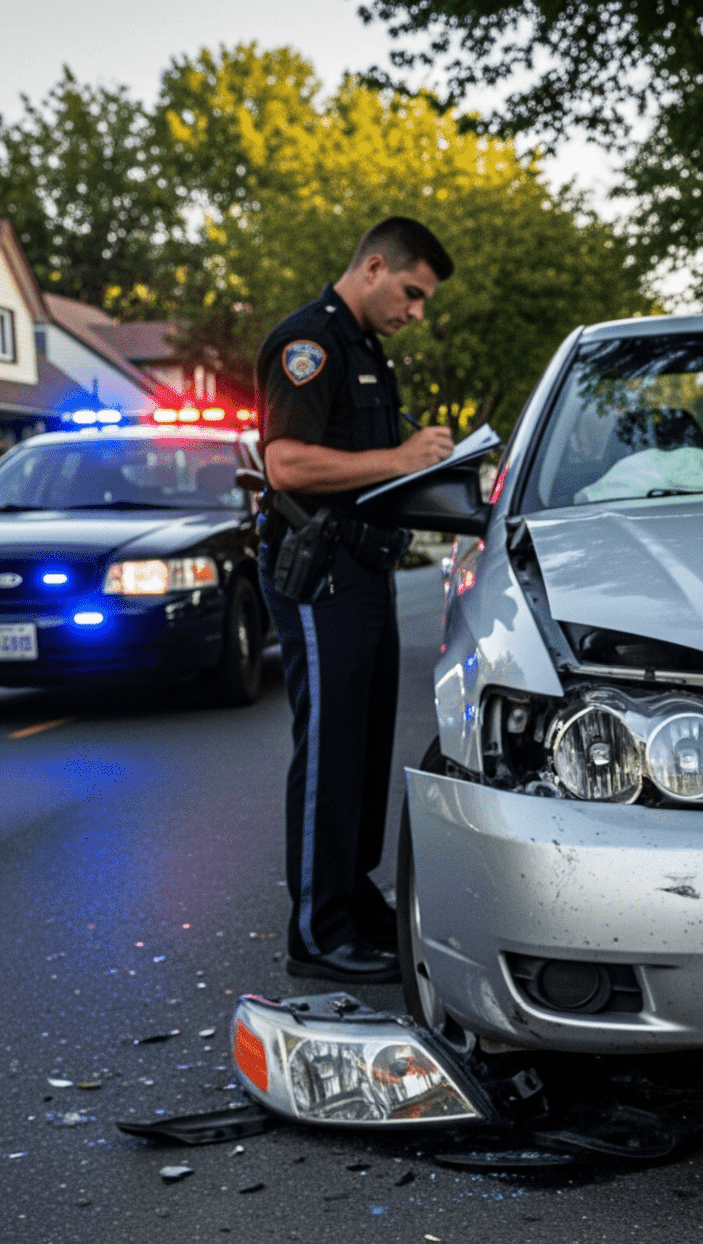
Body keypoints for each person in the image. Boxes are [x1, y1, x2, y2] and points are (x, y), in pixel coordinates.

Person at [256, 216, 456, 983]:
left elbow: (371, 467)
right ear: (374, 267)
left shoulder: (365, 349)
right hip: (320, 569)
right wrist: (401, 456)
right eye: (412, 293)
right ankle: (316, 931)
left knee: (368, 748)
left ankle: (351, 897)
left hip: (366, 568)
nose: (416, 312)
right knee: (331, 749)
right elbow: (289, 465)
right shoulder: (309, 343)